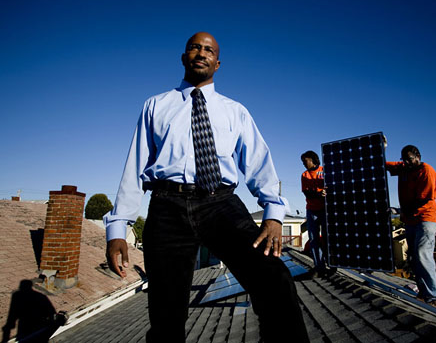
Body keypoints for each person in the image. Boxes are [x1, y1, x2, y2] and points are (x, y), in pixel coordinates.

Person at [104, 32, 309, 343]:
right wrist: (118, 228)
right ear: (184, 56)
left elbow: (258, 163)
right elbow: (135, 167)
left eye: (209, 50)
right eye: (195, 47)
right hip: (166, 208)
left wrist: (273, 214)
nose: (201, 53)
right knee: (166, 315)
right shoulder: (156, 106)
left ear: (218, 63)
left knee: (275, 279)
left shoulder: (235, 111)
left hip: (221, 204)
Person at [386, 145, 436, 309]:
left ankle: (435, 296)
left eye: (410, 159)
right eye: (403, 159)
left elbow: (422, 200)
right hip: (410, 220)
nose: (406, 162)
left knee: (423, 254)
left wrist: (398, 210)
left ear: (418, 156)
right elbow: (384, 165)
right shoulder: (404, 168)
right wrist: (380, 147)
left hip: (426, 218)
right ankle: (423, 293)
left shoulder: (426, 171)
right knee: (413, 255)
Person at [300, 151, 328, 276]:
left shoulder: (325, 171)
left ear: (312, 160)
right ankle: (319, 267)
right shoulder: (304, 175)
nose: (304, 164)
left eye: (305, 161)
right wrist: (319, 193)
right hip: (311, 210)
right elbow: (307, 193)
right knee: (313, 239)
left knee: (327, 238)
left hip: (326, 210)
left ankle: (330, 264)